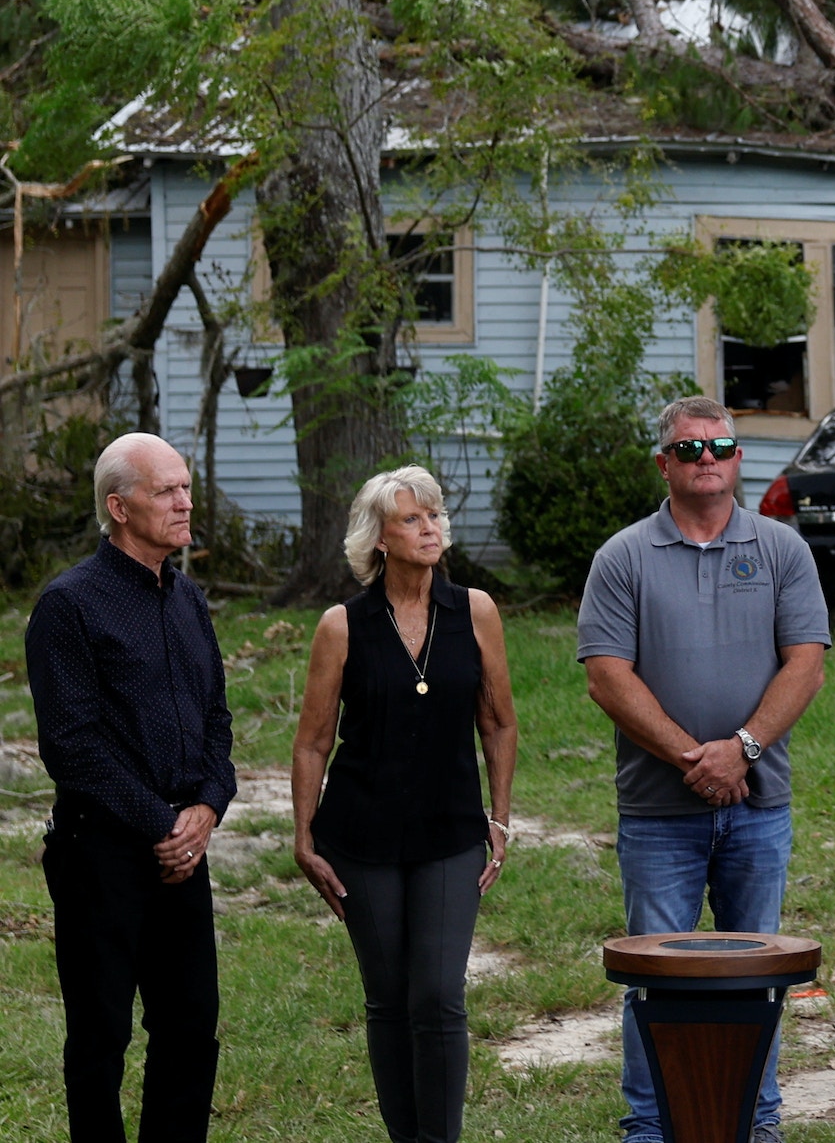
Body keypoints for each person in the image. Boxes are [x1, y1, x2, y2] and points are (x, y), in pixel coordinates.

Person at [579, 396, 834, 1143]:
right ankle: (651, 1127)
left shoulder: (783, 549)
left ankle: (756, 1123)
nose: (707, 460)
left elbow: (807, 665)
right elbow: (606, 675)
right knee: (653, 980)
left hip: (760, 807)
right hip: (660, 813)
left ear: (737, 457)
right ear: (664, 463)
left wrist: (743, 749)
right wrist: (697, 758)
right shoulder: (623, 557)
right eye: (689, 450)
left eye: (719, 446)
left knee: (759, 977)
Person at [291, 466, 521, 1143]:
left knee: (439, 997)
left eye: (436, 516)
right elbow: (312, 741)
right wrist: (303, 837)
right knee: (389, 1002)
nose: (431, 529)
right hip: (359, 837)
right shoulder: (342, 626)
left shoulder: (474, 611)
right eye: (412, 519)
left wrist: (500, 817)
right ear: (379, 539)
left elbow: (500, 722)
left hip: (450, 832)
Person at [26, 431, 236, 1143]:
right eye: (166, 491)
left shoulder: (189, 601)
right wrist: (164, 824)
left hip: (184, 852)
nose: (185, 502)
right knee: (101, 1038)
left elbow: (216, 719)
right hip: (102, 856)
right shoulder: (69, 606)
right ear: (119, 508)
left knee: (190, 1028)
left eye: (185, 486)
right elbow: (72, 746)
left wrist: (207, 807)